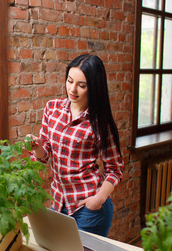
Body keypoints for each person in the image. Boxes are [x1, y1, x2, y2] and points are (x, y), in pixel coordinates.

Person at [27, 54, 124, 237]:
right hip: (59, 203)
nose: (72, 89)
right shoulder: (52, 109)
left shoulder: (99, 123)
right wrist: (38, 147)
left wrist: (98, 199)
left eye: (82, 85)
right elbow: (44, 155)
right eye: (70, 81)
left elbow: (115, 169)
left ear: (94, 87)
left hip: (89, 208)